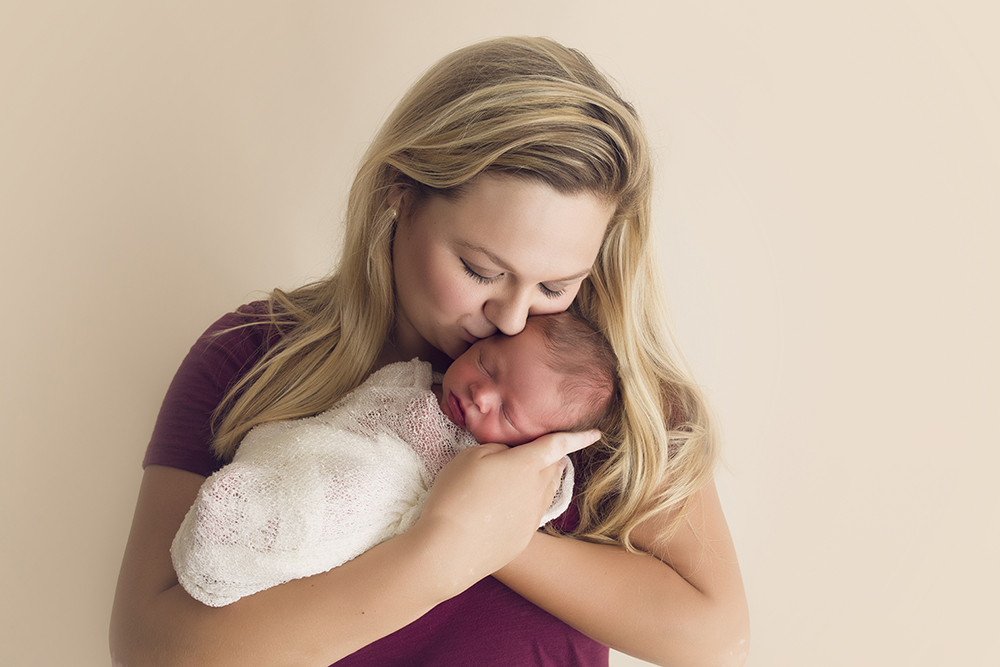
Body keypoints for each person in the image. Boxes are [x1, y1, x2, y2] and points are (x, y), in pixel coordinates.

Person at [110, 36, 749, 667]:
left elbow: (714, 639)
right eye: (479, 269)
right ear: (400, 192)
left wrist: (508, 538)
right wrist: (441, 548)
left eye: (555, 285)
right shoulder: (254, 355)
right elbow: (150, 652)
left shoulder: (597, 395)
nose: (513, 315)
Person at [172, 312, 618, 608]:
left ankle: (250, 528)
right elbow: (352, 416)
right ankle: (246, 507)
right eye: (486, 365)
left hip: (385, 491)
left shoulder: (499, 464)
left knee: (356, 490)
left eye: (508, 412)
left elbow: (537, 493)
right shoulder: (419, 379)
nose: (481, 395)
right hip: (338, 451)